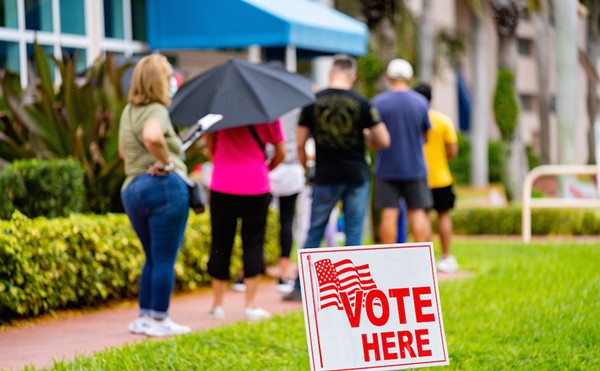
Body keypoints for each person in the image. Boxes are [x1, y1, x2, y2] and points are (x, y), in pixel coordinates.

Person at [284, 54, 390, 301]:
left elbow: (299, 143)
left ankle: (301, 287)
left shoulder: (312, 102)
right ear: (352, 77)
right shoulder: (363, 103)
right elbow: (384, 140)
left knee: (315, 230)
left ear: (331, 74)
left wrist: (306, 168)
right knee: (353, 231)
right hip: (356, 175)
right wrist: (365, 136)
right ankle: (355, 291)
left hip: (325, 175)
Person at [118, 54, 191, 337]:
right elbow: (152, 137)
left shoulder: (128, 111)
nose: (173, 81)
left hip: (132, 188)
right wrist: (168, 162)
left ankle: (145, 316)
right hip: (163, 188)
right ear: (159, 81)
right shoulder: (157, 110)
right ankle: (160, 320)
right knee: (164, 258)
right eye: (169, 76)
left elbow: (125, 151)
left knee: (152, 256)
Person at [204, 120, 286, 320]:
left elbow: (209, 149)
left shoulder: (219, 113)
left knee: (220, 242)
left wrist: (226, 164)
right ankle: (250, 304)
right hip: (256, 184)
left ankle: (217, 304)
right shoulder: (267, 114)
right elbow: (281, 151)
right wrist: (264, 168)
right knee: (253, 242)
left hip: (222, 184)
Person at [372, 58, 433, 244]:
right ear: (409, 77)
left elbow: (373, 138)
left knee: (389, 214)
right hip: (415, 167)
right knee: (418, 212)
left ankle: (389, 263)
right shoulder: (421, 102)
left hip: (386, 168)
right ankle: (422, 261)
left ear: (389, 77)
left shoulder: (377, 103)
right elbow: (426, 136)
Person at [414, 83, 460, 273]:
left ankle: (425, 260)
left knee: (422, 216)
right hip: (441, 177)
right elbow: (453, 150)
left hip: (418, 176)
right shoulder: (443, 120)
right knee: (443, 215)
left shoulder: (414, 120)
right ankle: (446, 256)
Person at [268, 108, 306, 293]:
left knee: (256, 222)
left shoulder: (264, 104)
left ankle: (247, 272)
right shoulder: (297, 106)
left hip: (268, 164)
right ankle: (283, 273)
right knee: (287, 220)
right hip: (291, 165)